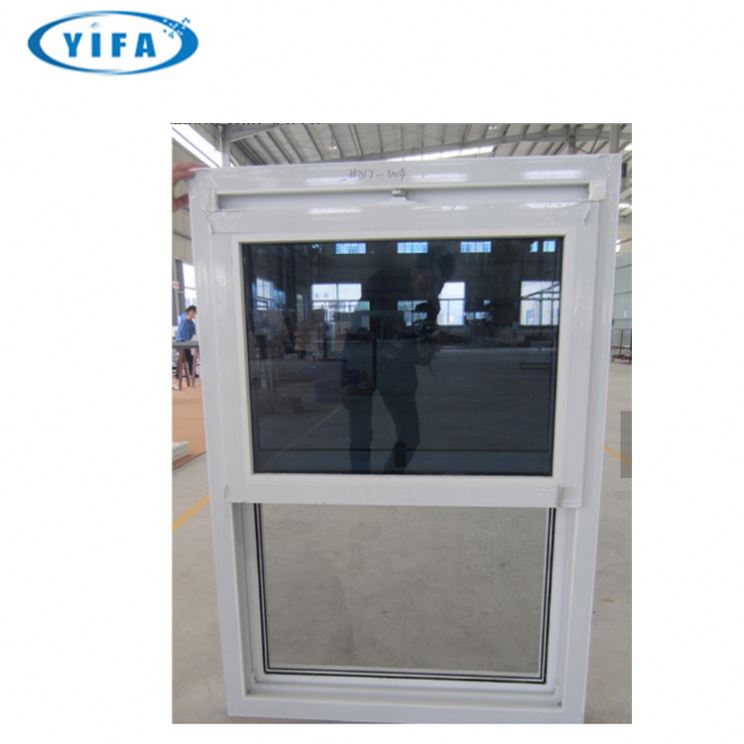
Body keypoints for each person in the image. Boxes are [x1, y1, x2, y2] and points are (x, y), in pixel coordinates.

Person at [341, 252, 454, 473]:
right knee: (361, 436)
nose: (432, 289)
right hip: (364, 363)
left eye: (438, 286)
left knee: (410, 435)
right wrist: (348, 380)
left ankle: (390, 477)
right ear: (414, 273)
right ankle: (360, 483)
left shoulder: (429, 303)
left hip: (395, 368)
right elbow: (355, 334)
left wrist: (428, 344)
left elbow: (420, 353)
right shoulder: (381, 286)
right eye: (429, 281)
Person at [176, 305, 198, 379]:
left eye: (194, 313)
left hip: (186, 342)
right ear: (189, 311)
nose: (193, 315)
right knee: (184, 357)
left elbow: (195, 332)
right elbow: (187, 318)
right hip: (180, 340)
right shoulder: (184, 315)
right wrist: (195, 317)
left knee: (188, 357)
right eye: (193, 313)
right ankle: (179, 374)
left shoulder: (192, 323)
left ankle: (191, 373)